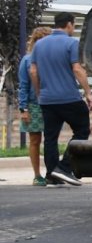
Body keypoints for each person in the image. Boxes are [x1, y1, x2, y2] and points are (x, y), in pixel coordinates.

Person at [29, 12, 92, 186]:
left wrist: (39, 92)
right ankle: (64, 167)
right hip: (69, 97)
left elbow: (33, 72)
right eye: (73, 26)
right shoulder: (71, 43)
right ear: (69, 24)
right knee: (82, 130)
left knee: (50, 137)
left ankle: (52, 174)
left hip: (47, 99)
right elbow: (77, 69)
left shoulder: (39, 45)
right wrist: (88, 93)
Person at [18, 26, 53, 186]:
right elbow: (23, 85)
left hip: (51, 102)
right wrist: (23, 109)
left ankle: (52, 173)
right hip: (33, 105)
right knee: (35, 140)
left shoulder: (52, 59)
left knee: (51, 139)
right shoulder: (27, 60)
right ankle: (37, 175)